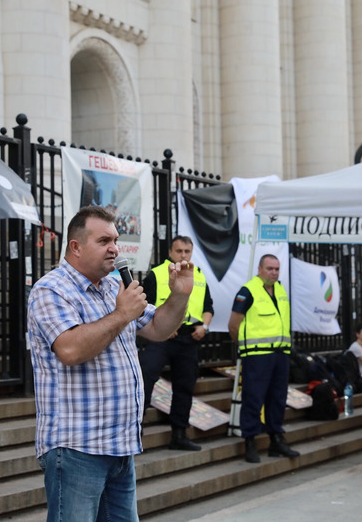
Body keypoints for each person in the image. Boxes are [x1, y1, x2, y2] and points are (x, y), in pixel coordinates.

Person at [27, 205, 196, 522]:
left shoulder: (112, 286)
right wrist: (122, 315)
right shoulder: (51, 290)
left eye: (116, 240)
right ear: (76, 247)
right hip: (78, 447)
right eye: (104, 241)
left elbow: (159, 328)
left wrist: (180, 296)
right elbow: (70, 350)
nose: (115, 249)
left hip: (119, 445)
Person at [139, 235, 214, 451]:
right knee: (145, 379)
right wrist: (161, 325)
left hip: (189, 338)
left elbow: (208, 307)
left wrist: (205, 327)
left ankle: (179, 434)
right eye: (179, 251)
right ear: (170, 252)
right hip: (162, 337)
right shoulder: (156, 274)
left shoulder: (198, 275)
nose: (183, 255)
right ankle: (136, 429)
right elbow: (143, 304)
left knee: (185, 386)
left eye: (187, 252)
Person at [228, 254, 300, 463]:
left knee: (278, 399)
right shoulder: (248, 291)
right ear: (259, 269)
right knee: (253, 398)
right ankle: (250, 441)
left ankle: (276, 439)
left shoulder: (280, 290)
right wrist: (243, 347)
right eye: (270, 268)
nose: (274, 273)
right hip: (257, 355)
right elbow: (234, 324)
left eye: (277, 269)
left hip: (280, 354)